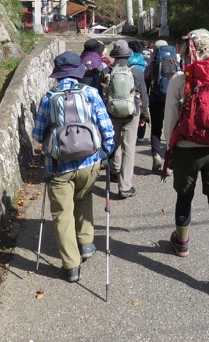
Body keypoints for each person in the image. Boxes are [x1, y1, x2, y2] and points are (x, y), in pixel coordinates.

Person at [162, 28, 209, 291]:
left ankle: (182, 243)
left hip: (186, 148)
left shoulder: (180, 78)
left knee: (185, 197)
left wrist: (168, 148)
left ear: (189, 50)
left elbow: (170, 120)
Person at [32, 52, 115, 283]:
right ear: (78, 72)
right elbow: (107, 128)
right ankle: (87, 243)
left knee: (62, 214)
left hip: (58, 166)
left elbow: (38, 134)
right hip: (89, 162)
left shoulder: (48, 98)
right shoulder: (90, 93)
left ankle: (71, 266)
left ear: (58, 74)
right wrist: (104, 153)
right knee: (84, 197)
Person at [107, 40, 150, 199]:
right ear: (128, 54)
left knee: (115, 142)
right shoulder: (136, 71)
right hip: (132, 112)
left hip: (112, 112)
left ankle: (114, 170)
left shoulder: (107, 71)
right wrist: (144, 116)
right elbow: (144, 96)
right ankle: (125, 187)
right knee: (129, 148)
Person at [143, 39, 174, 172]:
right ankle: (169, 160)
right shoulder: (174, 63)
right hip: (172, 101)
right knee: (171, 130)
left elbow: (146, 84)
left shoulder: (151, 65)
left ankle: (156, 155)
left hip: (156, 100)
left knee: (156, 129)